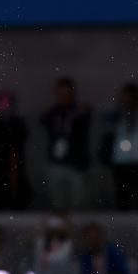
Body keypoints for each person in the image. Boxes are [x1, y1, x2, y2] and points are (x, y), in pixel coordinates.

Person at [100, 83, 138, 210]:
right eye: (126, 97)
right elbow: (106, 117)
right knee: (122, 195)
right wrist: (119, 106)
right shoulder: (117, 114)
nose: (128, 100)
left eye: (131, 97)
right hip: (121, 160)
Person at [41, 78, 91, 210]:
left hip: (76, 165)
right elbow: (43, 122)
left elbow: (86, 124)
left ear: (73, 93)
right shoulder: (52, 112)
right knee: (57, 205)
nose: (64, 95)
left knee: (79, 204)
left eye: (67, 92)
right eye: (61, 92)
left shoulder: (81, 111)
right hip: (56, 163)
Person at [0, 91, 32, 210]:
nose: (4, 107)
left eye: (7, 103)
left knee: (15, 200)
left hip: (14, 170)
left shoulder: (18, 124)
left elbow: (18, 143)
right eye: (1, 103)